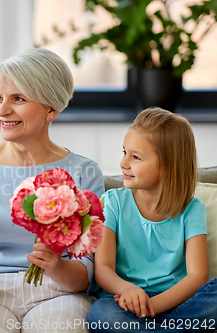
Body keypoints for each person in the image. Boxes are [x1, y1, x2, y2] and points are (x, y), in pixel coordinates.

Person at [0, 48, 105, 333]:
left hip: (58, 293)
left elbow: (90, 272)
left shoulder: (84, 172)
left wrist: (56, 266)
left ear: (52, 109)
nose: (2, 111)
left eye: (18, 99)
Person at [88, 108, 217, 332]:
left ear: (168, 165)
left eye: (135, 157)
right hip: (125, 302)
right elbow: (103, 268)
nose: (123, 163)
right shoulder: (112, 202)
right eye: (124, 152)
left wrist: (153, 307)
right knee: (101, 314)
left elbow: (198, 276)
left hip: (178, 303)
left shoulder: (192, 209)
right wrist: (128, 291)